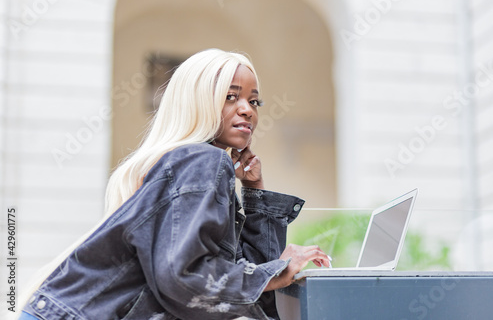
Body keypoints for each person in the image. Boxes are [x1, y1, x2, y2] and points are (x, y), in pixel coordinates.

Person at [18, 49, 330, 320]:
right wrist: (274, 271)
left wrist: (255, 194)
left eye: (254, 100)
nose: (248, 109)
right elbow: (184, 279)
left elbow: (250, 296)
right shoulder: (203, 161)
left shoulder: (192, 165)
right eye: (230, 97)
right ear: (195, 102)